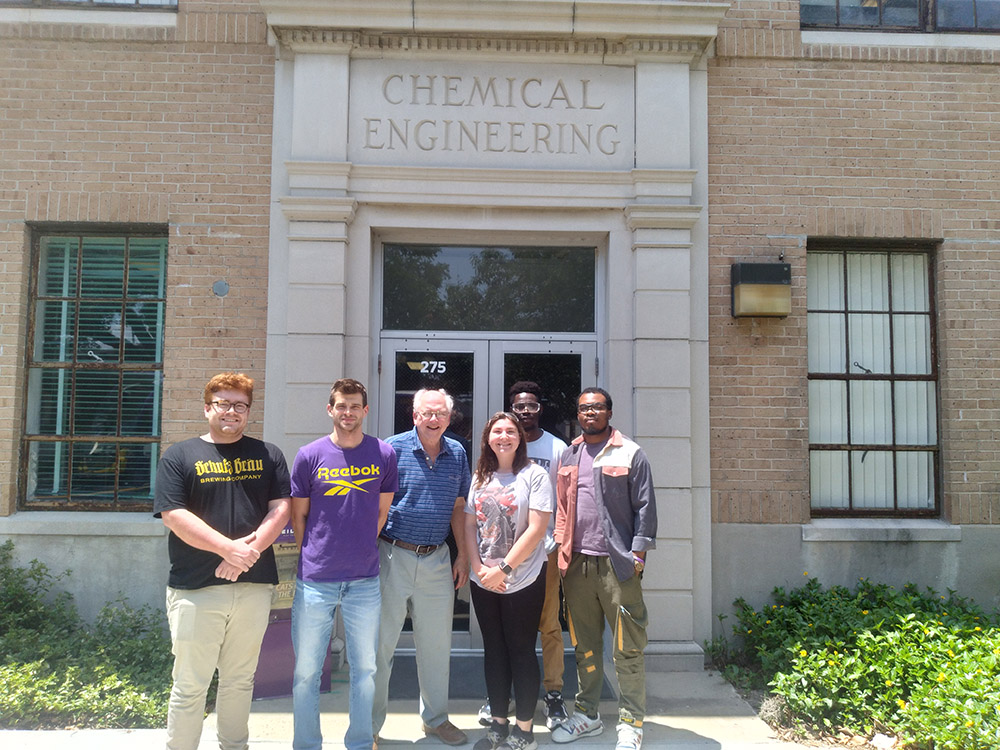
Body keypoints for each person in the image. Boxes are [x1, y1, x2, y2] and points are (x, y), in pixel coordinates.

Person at [154, 372, 291, 750]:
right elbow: (174, 515)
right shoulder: (179, 456)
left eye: (240, 405)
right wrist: (227, 550)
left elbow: (281, 509)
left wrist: (246, 555)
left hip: (253, 586)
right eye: (223, 404)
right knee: (190, 684)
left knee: (240, 680)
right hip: (196, 587)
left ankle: (235, 746)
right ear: (207, 408)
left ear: (248, 411)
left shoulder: (268, 454)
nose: (232, 411)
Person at [289, 378, 399, 750]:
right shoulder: (309, 455)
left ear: (365, 411)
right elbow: (298, 516)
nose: (348, 412)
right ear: (330, 409)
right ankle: (306, 744)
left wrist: (358, 544)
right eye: (341, 406)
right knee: (306, 671)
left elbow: (381, 512)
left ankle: (359, 740)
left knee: (365, 669)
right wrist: (315, 554)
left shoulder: (383, 454)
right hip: (316, 579)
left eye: (355, 406)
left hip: (364, 579)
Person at [551, 388, 657, 750]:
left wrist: (638, 554)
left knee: (628, 646)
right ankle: (588, 714)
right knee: (585, 645)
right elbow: (563, 507)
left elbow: (645, 506)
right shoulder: (570, 453)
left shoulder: (630, 452)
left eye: (597, 407)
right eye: (584, 408)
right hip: (577, 563)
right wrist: (561, 547)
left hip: (618, 565)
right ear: (578, 414)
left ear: (609, 412)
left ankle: (631, 722)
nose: (590, 413)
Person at [372, 388, 472, 746]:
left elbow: (460, 506)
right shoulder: (391, 449)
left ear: (449, 417)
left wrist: (462, 554)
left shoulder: (457, 452)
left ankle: (436, 719)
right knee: (379, 648)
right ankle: (369, 728)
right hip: (392, 555)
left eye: (440, 414)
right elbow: (374, 505)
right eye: (426, 413)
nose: (433, 420)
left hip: (437, 559)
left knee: (436, 647)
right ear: (414, 415)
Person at [479, 382, 568, 729]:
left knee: (547, 626)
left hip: (541, 554)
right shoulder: (494, 458)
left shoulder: (556, 447)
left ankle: (554, 694)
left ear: (539, 409)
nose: (525, 411)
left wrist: (558, 540)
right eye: (520, 407)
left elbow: (565, 497)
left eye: (531, 405)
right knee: (504, 636)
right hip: (497, 558)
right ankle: (500, 697)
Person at [465, 412, 553, 750]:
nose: (504, 437)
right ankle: (498, 724)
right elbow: (469, 524)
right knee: (494, 650)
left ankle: (525, 730)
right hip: (483, 579)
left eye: (510, 431)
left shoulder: (535, 475)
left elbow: (537, 528)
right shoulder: (479, 476)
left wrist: (502, 568)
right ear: (488, 437)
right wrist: (477, 567)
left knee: (520, 650)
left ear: (520, 438)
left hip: (523, 579)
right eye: (497, 431)